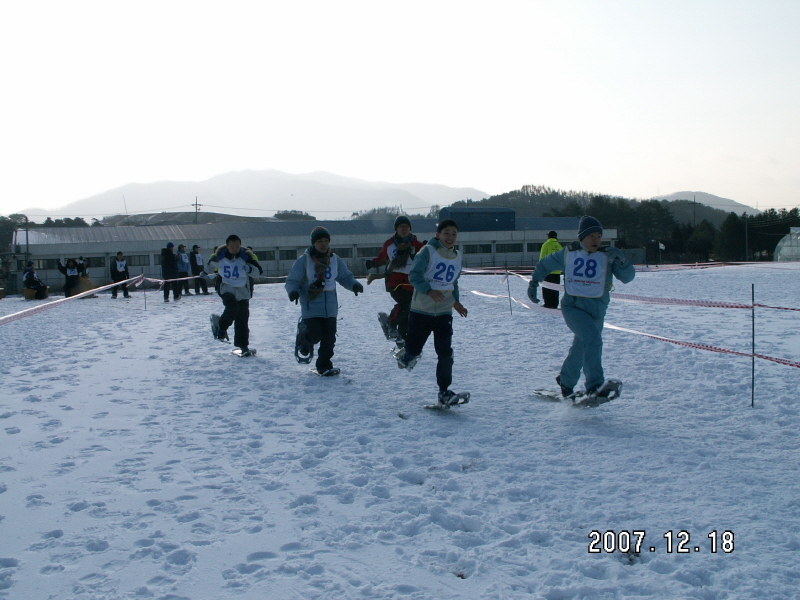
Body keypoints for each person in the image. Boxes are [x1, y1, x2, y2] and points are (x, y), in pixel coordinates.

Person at [527, 216, 635, 399]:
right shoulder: (569, 253)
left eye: (599, 236)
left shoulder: (607, 256)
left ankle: (566, 381)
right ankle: (595, 386)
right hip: (573, 308)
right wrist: (534, 282)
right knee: (593, 341)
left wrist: (623, 261)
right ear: (581, 237)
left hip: (597, 311)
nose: (596, 239)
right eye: (591, 235)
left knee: (581, 347)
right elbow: (545, 264)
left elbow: (627, 277)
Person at [396, 218, 469, 406]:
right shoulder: (428, 251)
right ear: (438, 235)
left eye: (454, 234)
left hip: (444, 313)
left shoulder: (457, 256)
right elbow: (414, 276)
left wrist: (457, 303)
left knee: (445, 352)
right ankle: (408, 355)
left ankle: (444, 392)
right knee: (414, 350)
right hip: (422, 310)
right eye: (446, 233)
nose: (450, 237)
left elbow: (453, 283)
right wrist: (428, 290)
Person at [285, 226, 363, 376]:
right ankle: (304, 338)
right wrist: (293, 292)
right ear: (313, 243)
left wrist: (354, 285)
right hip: (311, 305)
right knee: (315, 335)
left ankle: (324, 365)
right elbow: (292, 280)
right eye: (320, 241)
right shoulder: (305, 260)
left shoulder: (335, 260)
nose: (323, 244)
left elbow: (345, 277)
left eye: (326, 241)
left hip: (331, 308)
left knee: (329, 339)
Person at [365, 216, 425, 348]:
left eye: (406, 227)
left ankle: (402, 339)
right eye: (401, 227)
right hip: (394, 281)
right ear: (396, 229)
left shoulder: (417, 245)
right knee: (405, 304)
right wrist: (372, 263)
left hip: (412, 282)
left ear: (410, 229)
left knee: (410, 311)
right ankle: (391, 323)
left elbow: (427, 257)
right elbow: (382, 257)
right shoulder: (390, 244)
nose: (404, 229)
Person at [207, 235, 263, 356]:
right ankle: (221, 328)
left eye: (237, 247)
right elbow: (209, 265)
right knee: (232, 307)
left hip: (243, 291)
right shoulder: (220, 256)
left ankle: (243, 346)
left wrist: (248, 269)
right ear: (227, 246)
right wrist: (204, 272)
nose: (234, 249)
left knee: (242, 319)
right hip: (226, 288)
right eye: (232, 247)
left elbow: (258, 272)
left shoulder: (246, 256)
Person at [539, 231, 563, 309]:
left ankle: (548, 304)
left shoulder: (546, 245)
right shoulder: (559, 246)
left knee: (547, 288)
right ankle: (555, 304)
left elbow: (542, 257)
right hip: (557, 271)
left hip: (548, 270)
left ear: (549, 237)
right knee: (555, 288)